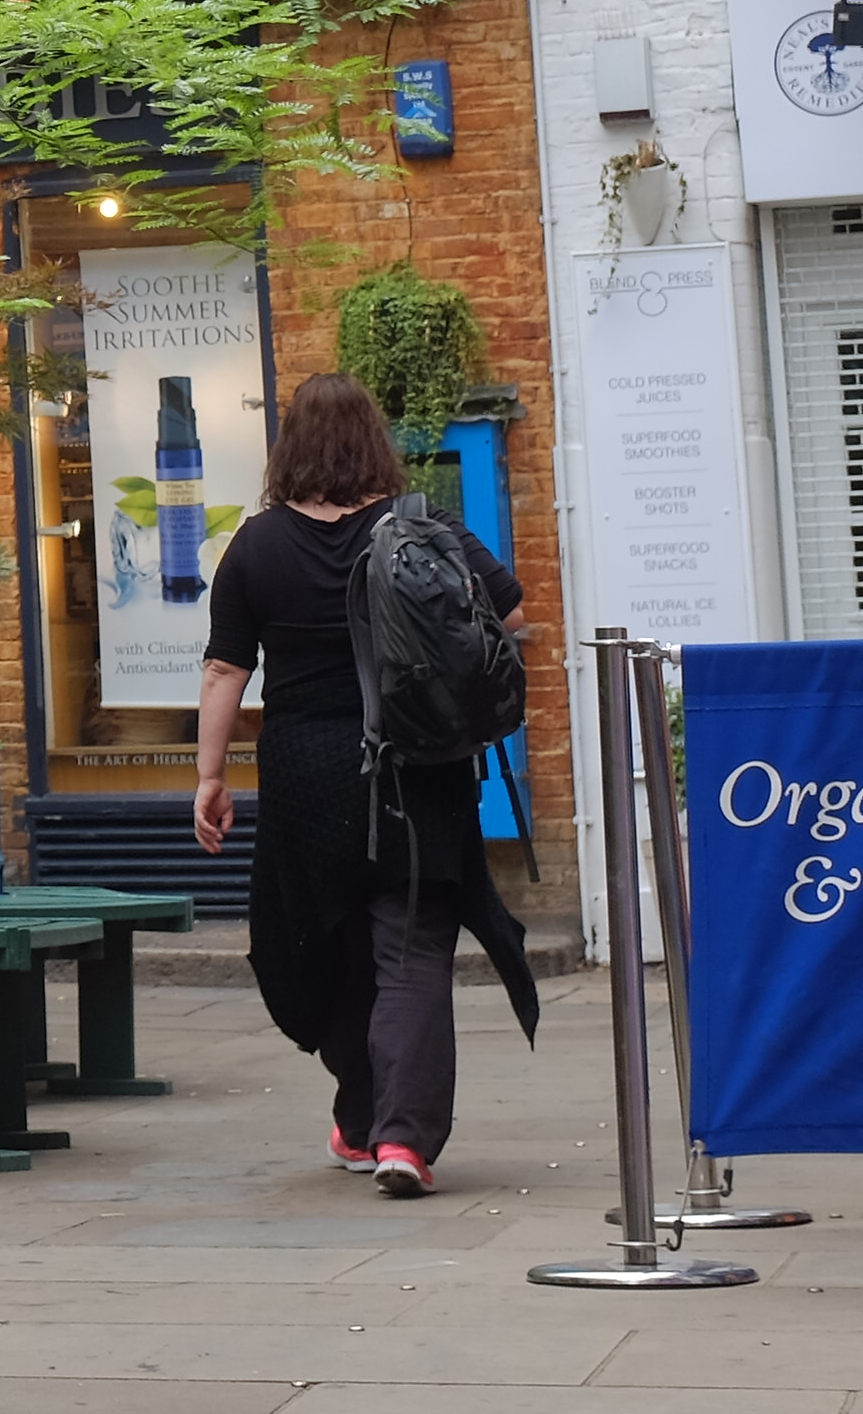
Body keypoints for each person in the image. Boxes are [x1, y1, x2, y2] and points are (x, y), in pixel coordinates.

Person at [195, 372, 539, 1197]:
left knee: (334, 942)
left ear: (291, 448)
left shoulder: (257, 546)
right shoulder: (422, 528)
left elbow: (223, 670)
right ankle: (397, 1139)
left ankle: (363, 1120)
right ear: (373, 442)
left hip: (309, 773)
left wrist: (209, 776)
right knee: (413, 943)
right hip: (417, 765)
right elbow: (514, 621)